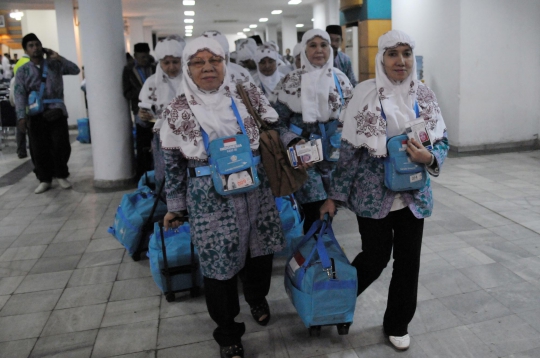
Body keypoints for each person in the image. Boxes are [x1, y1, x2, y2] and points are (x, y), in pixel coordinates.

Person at [320, 30, 449, 351]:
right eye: (393, 54)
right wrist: (334, 196)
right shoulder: (363, 94)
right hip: (372, 194)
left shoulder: (425, 96)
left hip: (413, 194)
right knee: (374, 258)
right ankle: (334, 304)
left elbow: (442, 140)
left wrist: (430, 156)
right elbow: (348, 151)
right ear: (381, 58)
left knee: (409, 262)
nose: (400, 61)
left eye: (406, 53)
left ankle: (397, 323)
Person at [160, 36, 284, 358]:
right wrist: (176, 207)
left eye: (214, 60)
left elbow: (274, 126)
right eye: (198, 62)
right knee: (219, 267)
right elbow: (173, 166)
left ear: (225, 63)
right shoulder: (177, 111)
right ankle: (228, 330)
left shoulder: (244, 93)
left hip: (256, 189)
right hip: (209, 199)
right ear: (188, 69)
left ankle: (256, 296)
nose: (207, 68)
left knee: (260, 253)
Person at [272, 29, 353, 232]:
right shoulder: (290, 81)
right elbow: (275, 122)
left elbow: (353, 118)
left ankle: (318, 255)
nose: (319, 50)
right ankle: (311, 256)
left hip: (334, 158)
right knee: (313, 211)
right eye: (313, 45)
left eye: (323, 45)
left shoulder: (341, 80)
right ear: (304, 50)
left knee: (329, 211)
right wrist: (292, 140)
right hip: (304, 160)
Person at [14, 33, 80, 194]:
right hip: (35, 113)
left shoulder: (54, 65)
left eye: (37, 44)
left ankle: (61, 174)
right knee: (38, 148)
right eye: (31, 45)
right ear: (26, 50)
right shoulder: (22, 71)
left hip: (56, 110)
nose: (35, 48)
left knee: (61, 144)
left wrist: (59, 57)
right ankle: (44, 179)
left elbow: (75, 70)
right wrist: (21, 116)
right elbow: (19, 94)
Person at [138, 35, 185, 186]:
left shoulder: (190, 80)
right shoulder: (152, 83)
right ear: (160, 63)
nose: (171, 67)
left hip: (189, 136)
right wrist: (144, 117)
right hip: (162, 139)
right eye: (166, 63)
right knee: (165, 176)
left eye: (175, 62)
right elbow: (144, 117)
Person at [122, 42, 156, 178]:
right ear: (135, 56)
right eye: (142, 57)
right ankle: (143, 175)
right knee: (143, 143)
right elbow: (126, 93)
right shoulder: (129, 70)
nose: (145, 59)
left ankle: (156, 173)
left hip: (157, 110)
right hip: (140, 110)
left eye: (147, 56)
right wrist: (143, 93)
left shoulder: (155, 68)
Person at [10, 53, 31, 158]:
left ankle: (21, 151)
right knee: (32, 129)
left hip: (19, 103)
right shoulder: (30, 63)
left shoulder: (18, 64)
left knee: (20, 129)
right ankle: (34, 150)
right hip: (30, 102)